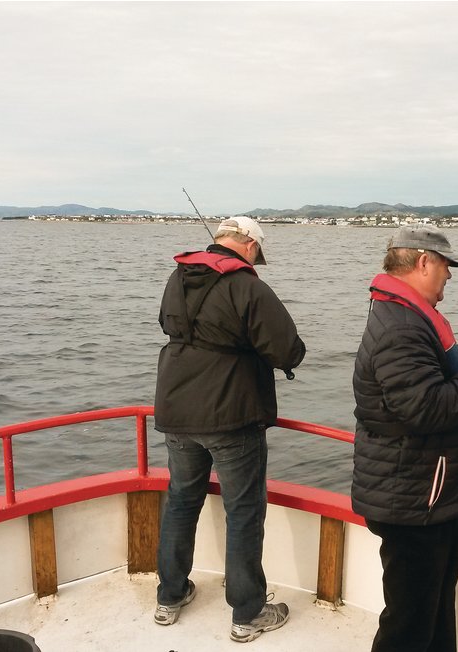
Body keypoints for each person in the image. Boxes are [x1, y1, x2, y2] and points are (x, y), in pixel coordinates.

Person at [351, 224, 458, 652]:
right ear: (424, 262)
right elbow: (425, 407)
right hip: (412, 499)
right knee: (409, 624)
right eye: (446, 265)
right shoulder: (401, 328)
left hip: (426, 494)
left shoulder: (403, 315)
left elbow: (433, 393)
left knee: (435, 606)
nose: (449, 275)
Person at [153, 216, 306, 644]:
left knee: (181, 501)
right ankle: (247, 613)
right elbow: (288, 350)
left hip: (176, 408)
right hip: (231, 414)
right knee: (244, 512)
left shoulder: (177, 277)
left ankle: (170, 596)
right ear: (251, 246)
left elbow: (168, 326)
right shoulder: (248, 286)